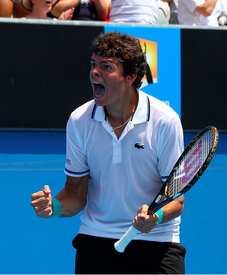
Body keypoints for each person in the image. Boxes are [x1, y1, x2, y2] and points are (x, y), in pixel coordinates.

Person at [30, 31, 186, 274]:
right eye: (93, 64)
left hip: (157, 242)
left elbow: (176, 200)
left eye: (106, 67)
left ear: (130, 76)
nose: (94, 72)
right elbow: (75, 193)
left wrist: (154, 218)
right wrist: (55, 207)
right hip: (96, 241)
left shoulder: (165, 121)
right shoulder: (79, 120)